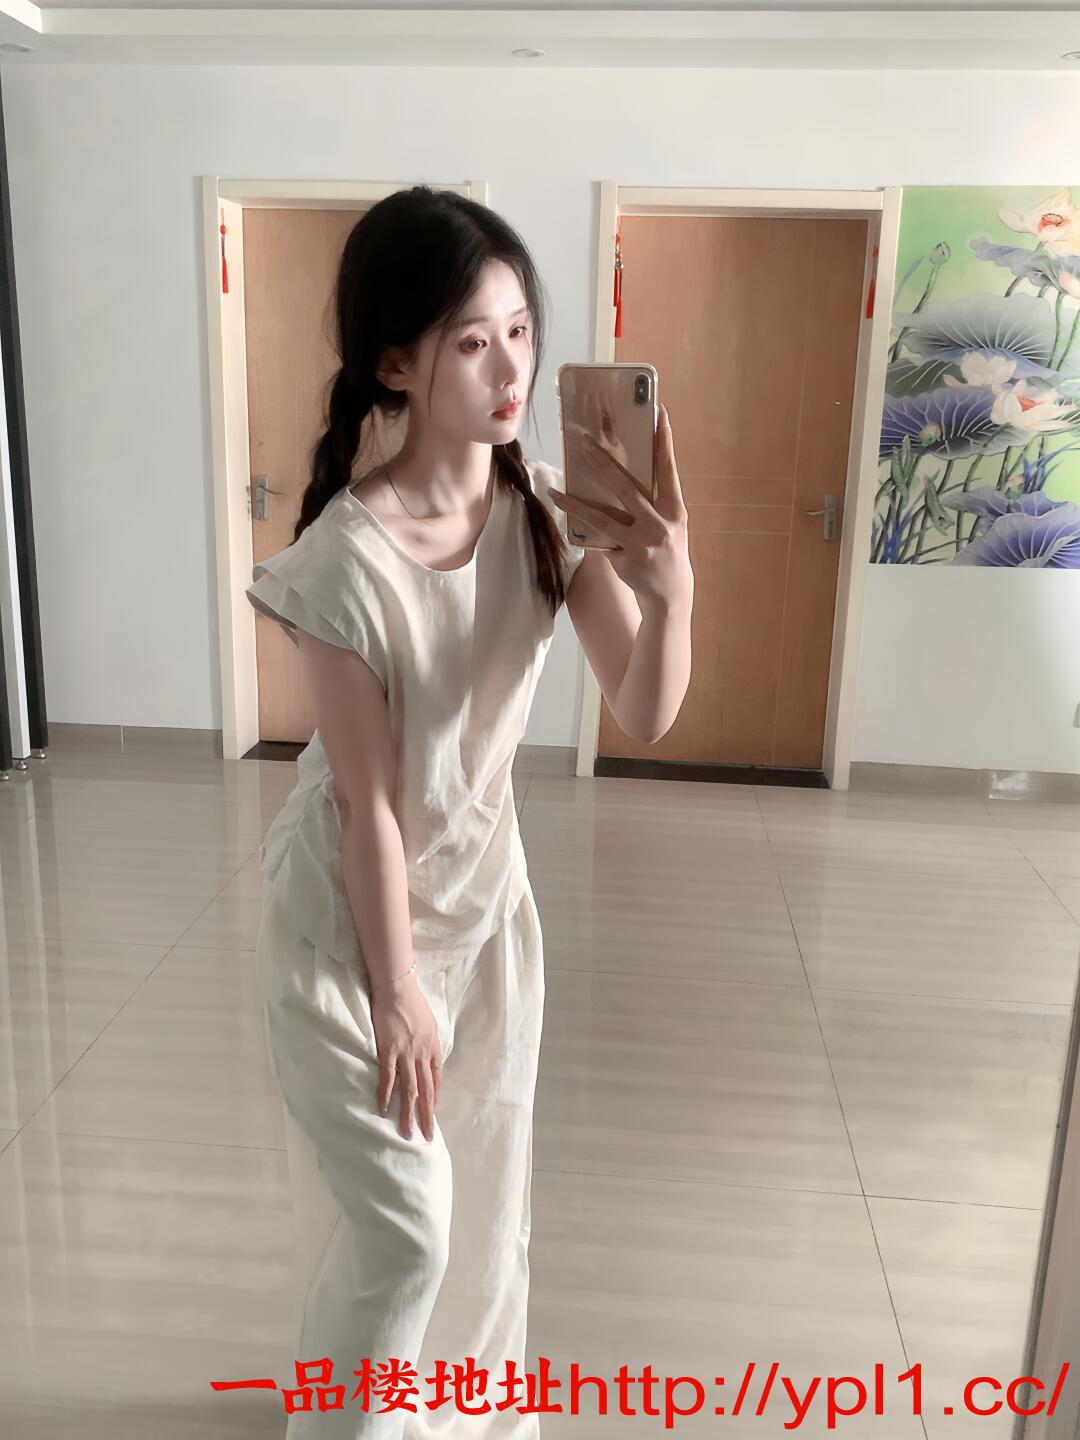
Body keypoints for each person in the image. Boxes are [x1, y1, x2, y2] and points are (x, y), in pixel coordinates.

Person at [246, 185, 693, 1438]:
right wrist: (397, 992)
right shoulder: (343, 563)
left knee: (488, 1226)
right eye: (473, 341)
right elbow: (369, 810)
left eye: (521, 332)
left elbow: (645, 707)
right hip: (353, 932)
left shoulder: (547, 514)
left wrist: (675, 588)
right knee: (405, 1231)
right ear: (396, 364)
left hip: (487, 920)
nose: (511, 371)